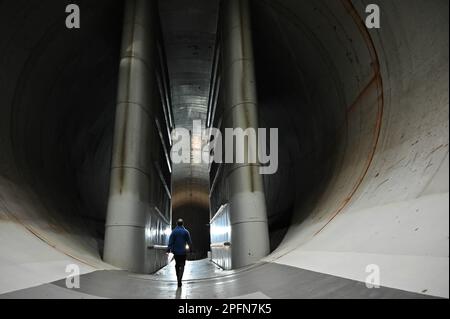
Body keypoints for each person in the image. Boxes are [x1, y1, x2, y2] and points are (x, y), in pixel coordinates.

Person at [167, 218, 192, 287]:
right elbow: (189, 242)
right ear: (182, 224)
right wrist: (190, 249)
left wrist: (168, 249)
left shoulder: (174, 232)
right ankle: (180, 279)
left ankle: (178, 278)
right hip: (183, 252)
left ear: (177, 224)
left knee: (177, 265)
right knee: (183, 265)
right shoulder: (186, 231)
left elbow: (171, 241)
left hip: (176, 252)